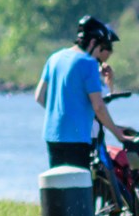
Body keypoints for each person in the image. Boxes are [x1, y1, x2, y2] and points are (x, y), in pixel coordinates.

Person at [35, 15, 132, 169]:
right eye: (100, 48)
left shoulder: (55, 58)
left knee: (58, 187)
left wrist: (62, 112)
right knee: (78, 188)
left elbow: (39, 97)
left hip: (52, 134)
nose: (99, 55)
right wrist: (118, 134)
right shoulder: (88, 63)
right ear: (93, 42)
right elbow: (98, 106)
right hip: (76, 137)